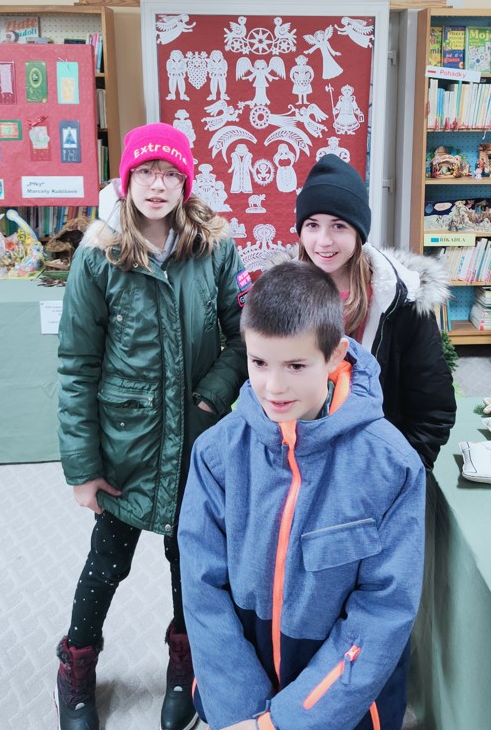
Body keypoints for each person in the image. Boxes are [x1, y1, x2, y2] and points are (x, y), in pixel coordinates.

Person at [54, 122, 248, 730]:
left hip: (194, 441)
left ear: (185, 183)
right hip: (126, 448)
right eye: (145, 172)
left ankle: (185, 666)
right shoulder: (99, 255)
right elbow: (77, 365)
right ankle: (76, 664)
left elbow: (243, 336)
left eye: (169, 174)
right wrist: (83, 469)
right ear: (127, 178)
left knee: (189, 563)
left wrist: (212, 398)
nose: (157, 185)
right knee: (106, 562)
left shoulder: (215, 248)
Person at [178, 261, 426, 730]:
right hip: (239, 700)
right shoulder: (215, 453)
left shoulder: (391, 466)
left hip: (344, 705)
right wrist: (243, 716)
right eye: (259, 363)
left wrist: (285, 722)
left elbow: (384, 609)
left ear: (334, 356)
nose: (274, 386)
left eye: (295, 365)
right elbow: (202, 591)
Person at [294, 153, 455, 470]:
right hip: (303, 463)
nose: (323, 241)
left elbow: (433, 410)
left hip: (377, 464)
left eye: (338, 226)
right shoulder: (282, 299)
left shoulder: (402, 303)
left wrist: (400, 473)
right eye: (312, 225)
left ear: (358, 231)